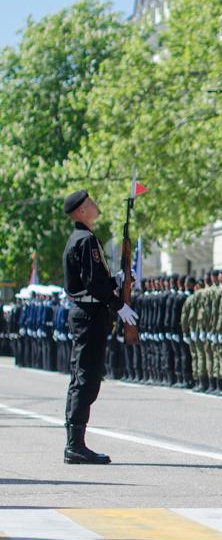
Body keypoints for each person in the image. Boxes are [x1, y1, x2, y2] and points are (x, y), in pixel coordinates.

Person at [61, 189, 138, 464]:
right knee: (86, 379)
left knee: (85, 377)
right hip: (90, 314)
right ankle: (75, 445)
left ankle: (76, 443)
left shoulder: (82, 239)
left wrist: (117, 281)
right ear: (81, 211)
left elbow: (94, 280)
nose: (95, 205)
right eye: (90, 203)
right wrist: (119, 304)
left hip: (89, 312)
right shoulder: (86, 240)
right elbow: (93, 283)